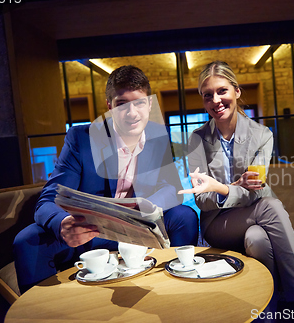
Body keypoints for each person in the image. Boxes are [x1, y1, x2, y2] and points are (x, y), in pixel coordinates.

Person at [14, 65, 198, 293]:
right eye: (122, 104)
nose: (132, 113)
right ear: (109, 106)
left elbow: (172, 188)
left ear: (150, 104)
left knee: (184, 216)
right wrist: (63, 225)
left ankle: (179, 292)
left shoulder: (157, 136)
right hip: (91, 231)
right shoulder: (81, 138)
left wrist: (145, 206)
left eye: (139, 103)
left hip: (136, 227)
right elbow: (47, 201)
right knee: (28, 240)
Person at [179, 61, 294, 322]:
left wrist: (220, 188)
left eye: (222, 91)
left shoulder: (262, 135)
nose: (216, 100)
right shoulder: (197, 139)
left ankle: (266, 314)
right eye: (208, 96)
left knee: (258, 239)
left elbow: (254, 191)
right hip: (218, 224)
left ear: (236, 92)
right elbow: (203, 201)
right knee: (271, 205)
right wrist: (229, 187)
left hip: (256, 219)